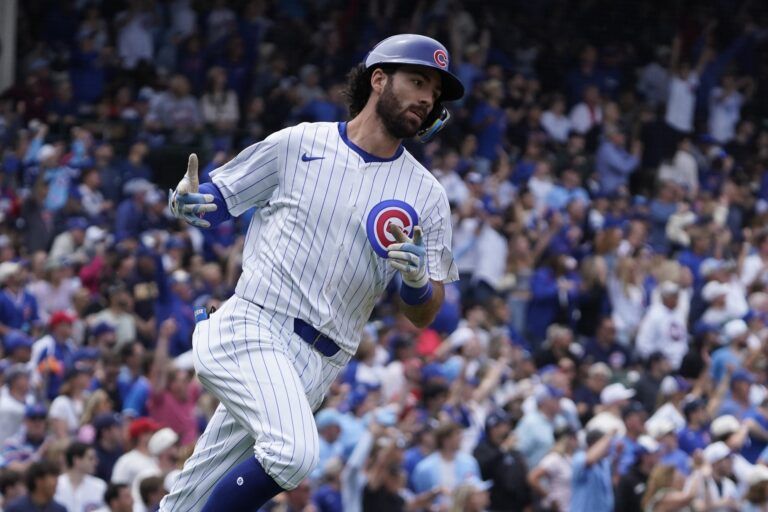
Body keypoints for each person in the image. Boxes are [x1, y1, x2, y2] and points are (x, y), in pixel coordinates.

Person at [160, 33, 464, 511]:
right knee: (294, 455)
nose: (427, 98)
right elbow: (219, 198)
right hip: (254, 326)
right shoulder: (299, 142)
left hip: (320, 364)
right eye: (418, 80)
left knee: (185, 504)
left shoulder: (427, 196)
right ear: (378, 80)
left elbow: (426, 315)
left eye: (435, 92)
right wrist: (191, 202)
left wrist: (416, 282)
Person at [473, 410, 531, 511]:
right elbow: (485, 470)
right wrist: (503, 449)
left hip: (517, 506)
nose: (508, 428)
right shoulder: (482, 450)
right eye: (504, 424)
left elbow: (522, 476)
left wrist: (528, 502)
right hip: (495, 505)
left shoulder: (513, 450)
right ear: (493, 428)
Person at [528, 423, 578, 511]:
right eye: (573, 437)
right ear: (565, 439)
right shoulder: (554, 458)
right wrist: (550, 499)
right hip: (560, 508)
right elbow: (532, 477)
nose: (576, 440)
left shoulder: (573, 457)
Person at [54, 441, 107, 512]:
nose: (95, 462)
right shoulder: (56, 484)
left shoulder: (100, 486)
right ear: (77, 460)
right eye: (90, 458)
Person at [615, 435, 662, 512]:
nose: (657, 457)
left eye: (657, 453)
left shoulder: (659, 477)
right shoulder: (628, 480)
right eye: (653, 453)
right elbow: (620, 508)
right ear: (643, 456)